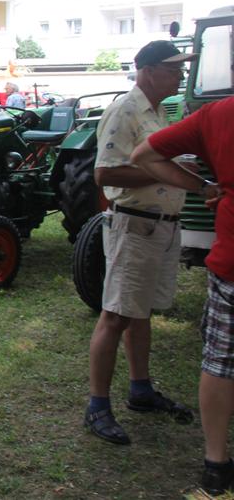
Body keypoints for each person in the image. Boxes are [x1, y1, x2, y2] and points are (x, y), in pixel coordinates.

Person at [83, 40, 197, 446]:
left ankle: (140, 389)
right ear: (147, 70)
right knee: (115, 314)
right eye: (173, 68)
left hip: (160, 227)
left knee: (140, 311)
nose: (181, 75)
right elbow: (104, 175)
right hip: (134, 226)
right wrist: (166, 173)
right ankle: (97, 405)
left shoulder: (158, 112)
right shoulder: (124, 110)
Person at [131, 96, 232, 494]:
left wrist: (208, 186)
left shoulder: (216, 114)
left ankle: (215, 463)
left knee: (221, 362)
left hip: (230, 263)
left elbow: (145, 155)